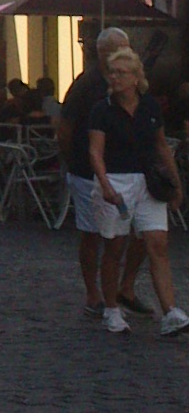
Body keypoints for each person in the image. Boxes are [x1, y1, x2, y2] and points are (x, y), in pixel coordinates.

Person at [89, 47, 189, 337]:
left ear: (136, 78)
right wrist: (106, 185)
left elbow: (161, 145)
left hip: (148, 181)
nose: (115, 77)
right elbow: (95, 152)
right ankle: (111, 308)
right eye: (112, 72)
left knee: (158, 243)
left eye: (121, 72)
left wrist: (176, 183)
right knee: (115, 247)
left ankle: (170, 311)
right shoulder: (102, 110)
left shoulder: (149, 107)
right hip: (116, 179)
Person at [59, 25, 145, 317]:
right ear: (105, 52)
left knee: (141, 232)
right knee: (93, 233)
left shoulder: (130, 81)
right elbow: (66, 126)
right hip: (88, 171)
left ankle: (125, 287)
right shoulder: (87, 84)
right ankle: (94, 293)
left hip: (126, 169)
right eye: (123, 47)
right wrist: (73, 161)